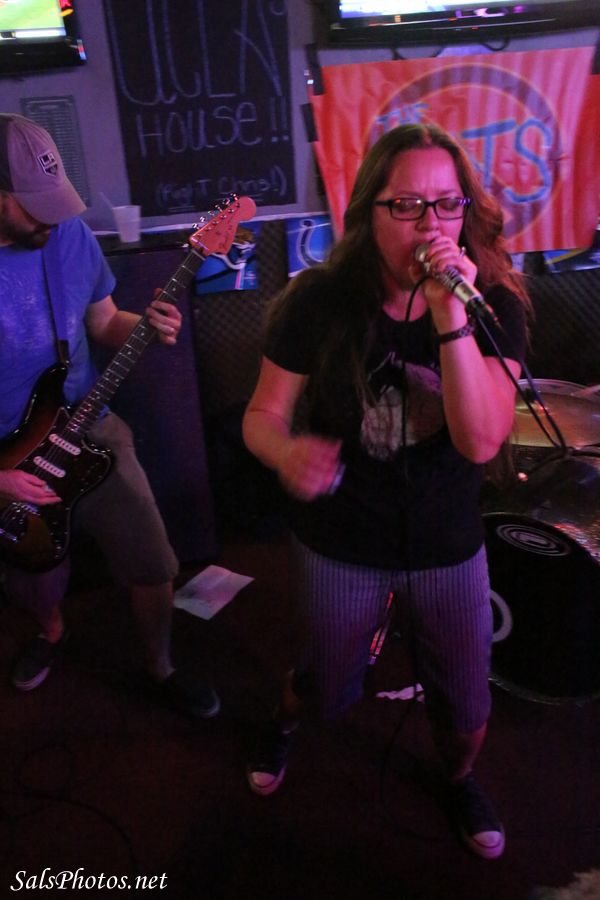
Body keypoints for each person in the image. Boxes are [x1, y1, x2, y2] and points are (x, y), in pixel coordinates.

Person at [242, 123, 529, 859]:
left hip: (446, 541)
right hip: (342, 537)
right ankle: (283, 722)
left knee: (465, 704)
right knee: (326, 682)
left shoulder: (492, 303)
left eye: (447, 203)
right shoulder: (318, 301)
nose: (430, 225)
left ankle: (458, 780)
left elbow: (480, 442)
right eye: (406, 205)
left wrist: (450, 314)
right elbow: (262, 416)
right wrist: (286, 450)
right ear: (369, 211)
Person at [0, 113, 219, 719]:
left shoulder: (69, 236)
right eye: (34, 206)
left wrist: (145, 326)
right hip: (7, 458)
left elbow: (103, 324)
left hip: (88, 426)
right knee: (36, 578)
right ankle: (51, 630)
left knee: (153, 560)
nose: (51, 219)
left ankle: (161, 665)